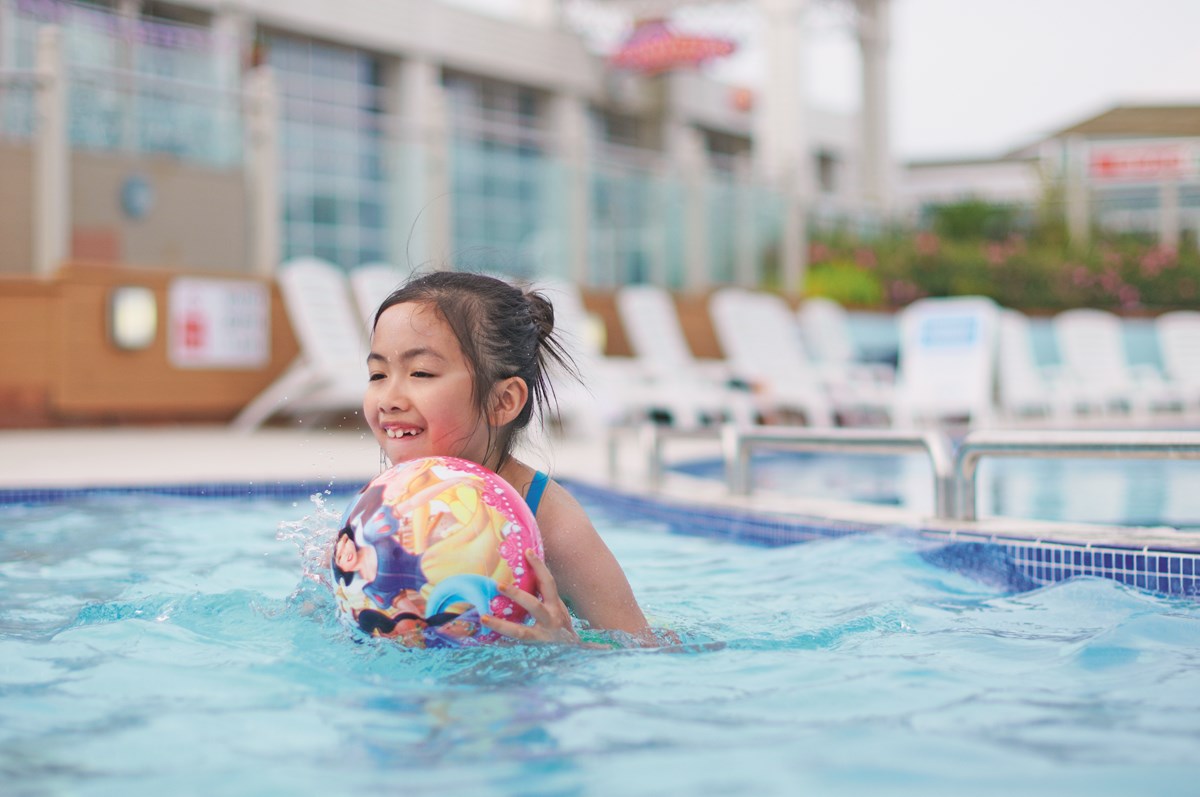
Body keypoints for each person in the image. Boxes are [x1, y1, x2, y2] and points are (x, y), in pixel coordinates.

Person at [363, 270, 653, 645]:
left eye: (421, 372)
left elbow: (646, 647)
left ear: (503, 401)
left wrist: (567, 649)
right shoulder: (389, 505)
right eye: (377, 374)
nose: (388, 398)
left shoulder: (554, 526)